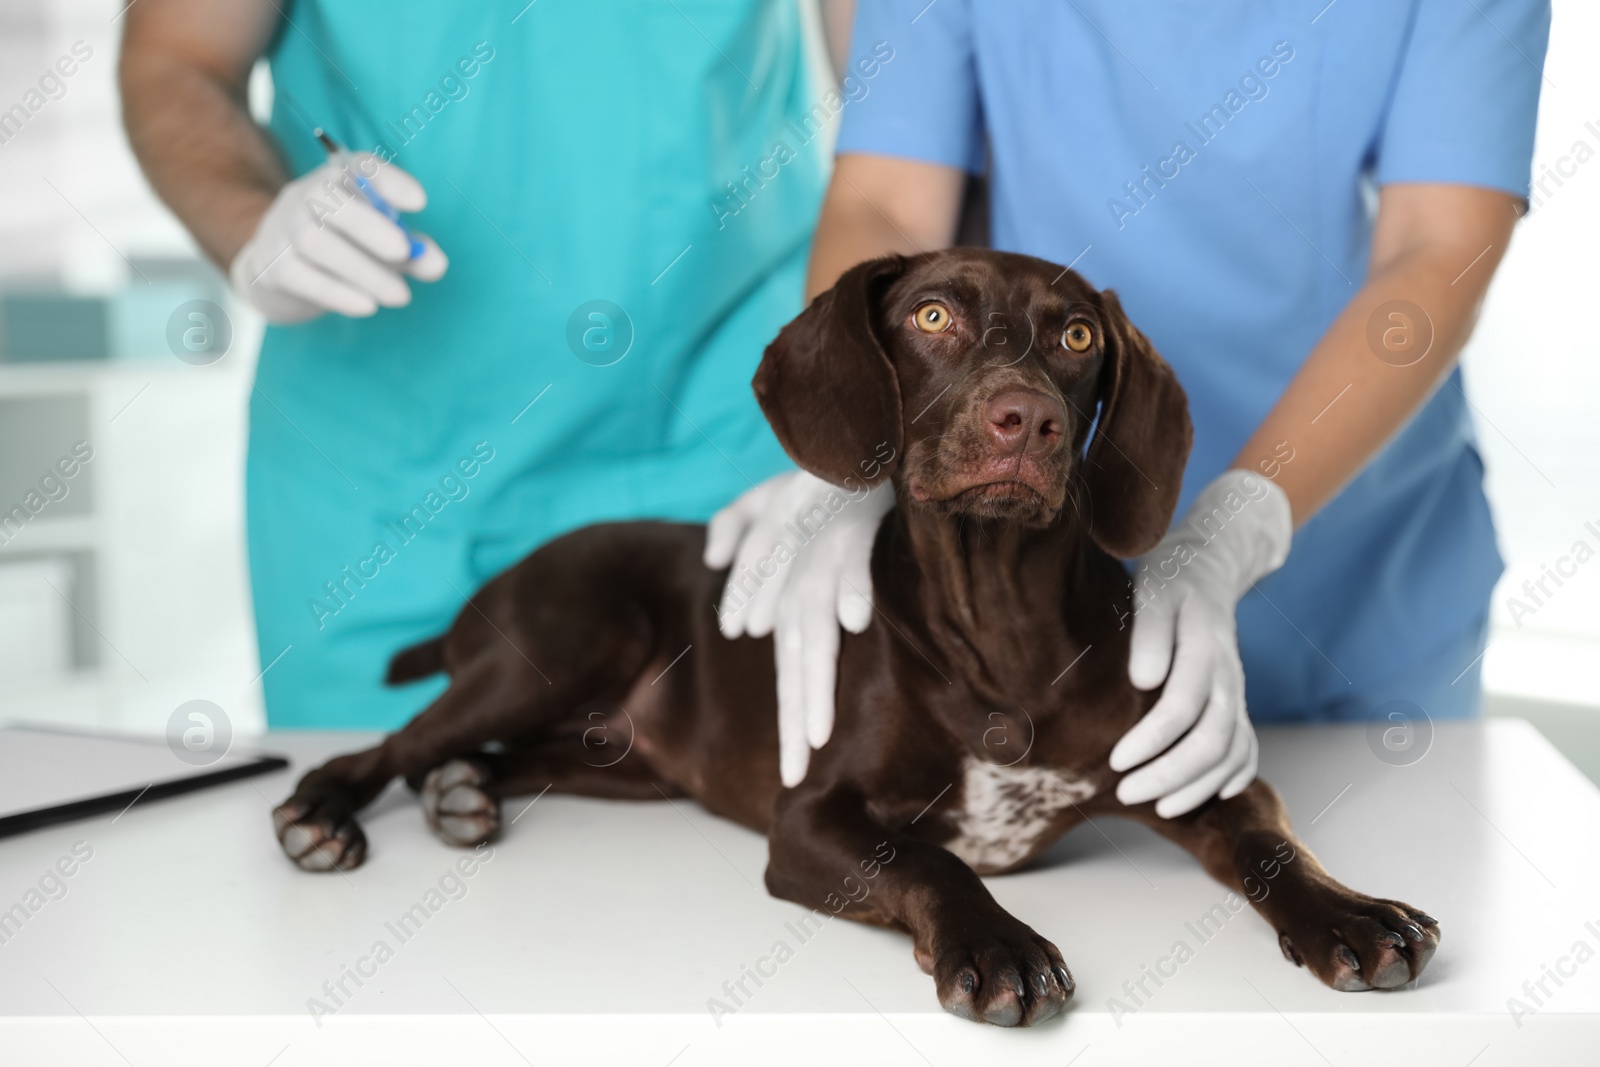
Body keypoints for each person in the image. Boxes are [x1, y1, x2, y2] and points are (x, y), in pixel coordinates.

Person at [708, 0, 1550, 815]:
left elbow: (1437, 247)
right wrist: (852, 459)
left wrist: (1242, 519)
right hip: (1039, 587)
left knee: (1369, 891)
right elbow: (887, 202)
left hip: (1360, 583)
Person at [121, 0, 831, 728]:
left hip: (723, 464)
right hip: (381, 496)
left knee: (750, 824)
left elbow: (903, 126)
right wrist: (253, 226)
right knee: (367, 811)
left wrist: (857, 443)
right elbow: (180, 59)